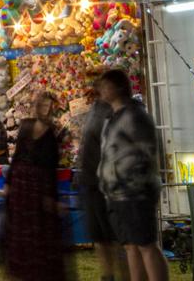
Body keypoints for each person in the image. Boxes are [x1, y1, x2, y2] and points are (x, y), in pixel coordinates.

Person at [98, 69, 167, 281]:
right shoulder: (111, 119)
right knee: (130, 246)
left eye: (105, 86)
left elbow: (148, 151)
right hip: (117, 192)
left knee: (146, 245)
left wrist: (136, 180)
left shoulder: (135, 116)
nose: (101, 90)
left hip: (135, 191)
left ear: (118, 87)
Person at [1, 91, 67, 280]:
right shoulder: (26, 126)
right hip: (21, 189)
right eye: (43, 105)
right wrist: (8, 184)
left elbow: (50, 169)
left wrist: (51, 198)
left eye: (49, 106)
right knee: (19, 239)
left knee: (40, 241)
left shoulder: (52, 134)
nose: (46, 110)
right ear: (37, 106)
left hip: (40, 189)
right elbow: (17, 157)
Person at [79, 77, 122, 281]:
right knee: (99, 236)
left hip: (107, 183)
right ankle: (108, 275)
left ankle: (124, 275)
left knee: (114, 236)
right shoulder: (95, 109)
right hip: (90, 181)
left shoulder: (115, 112)